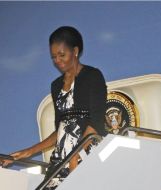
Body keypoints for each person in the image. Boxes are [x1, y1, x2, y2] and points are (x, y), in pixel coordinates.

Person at [1, 26, 107, 189]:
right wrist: (27, 152)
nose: (57, 60)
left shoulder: (93, 76)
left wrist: (75, 157)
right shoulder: (56, 86)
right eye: (54, 57)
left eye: (62, 55)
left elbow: (96, 123)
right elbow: (60, 130)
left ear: (75, 51)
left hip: (88, 153)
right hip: (62, 159)